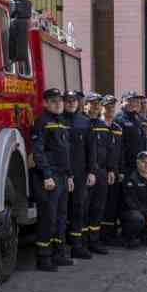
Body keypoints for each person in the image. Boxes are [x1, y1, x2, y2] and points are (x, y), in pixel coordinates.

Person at [30, 88, 74, 270]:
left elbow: (66, 152)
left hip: (62, 176)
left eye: (60, 101)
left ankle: (59, 254)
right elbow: (38, 151)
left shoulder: (61, 122)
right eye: (54, 101)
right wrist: (46, 175)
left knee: (61, 217)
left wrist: (69, 175)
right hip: (50, 177)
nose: (58, 104)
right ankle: (44, 258)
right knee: (48, 218)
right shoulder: (41, 122)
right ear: (45, 103)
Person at [62, 89, 97, 259]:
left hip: (80, 173)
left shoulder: (84, 122)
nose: (71, 103)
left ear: (78, 103)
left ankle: (77, 246)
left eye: (73, 101)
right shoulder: (57, 120)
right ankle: (59, 249)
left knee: (78, 209)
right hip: (61, 173)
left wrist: (91, 171)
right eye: (68, 101)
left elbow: (91, 150)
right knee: (60, 211)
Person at [84, 93, 114, 254]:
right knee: (84, 208)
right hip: (86, 172)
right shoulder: (82, 123)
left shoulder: (102, 125)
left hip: (101, 171)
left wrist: (110, 169)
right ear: (85, 105)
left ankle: (94, 241)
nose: (96, 106)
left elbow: (108, 149)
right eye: (92, 103)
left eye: (98, 104)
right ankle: (82, 243)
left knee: (98, 207)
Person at [99, 94, 125, 245]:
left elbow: (121, 151)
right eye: (107, 106)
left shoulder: (117, 128)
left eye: (112, 107)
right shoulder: (96, 126)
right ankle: (98, 236)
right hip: (101, 170)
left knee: (112, 204)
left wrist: (120, 171)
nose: (110, 109)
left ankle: (109, 235)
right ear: (101, 107)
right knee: (99, 204)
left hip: (114, 172)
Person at [114, 92, 147, 176]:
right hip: (125, 164)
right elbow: (118, 145)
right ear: (122, 103)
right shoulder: (118, 119)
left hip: (139, 163)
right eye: (130, 101)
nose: (133, 103)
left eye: (135, 101)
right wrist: (121, 168)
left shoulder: (140, 118)